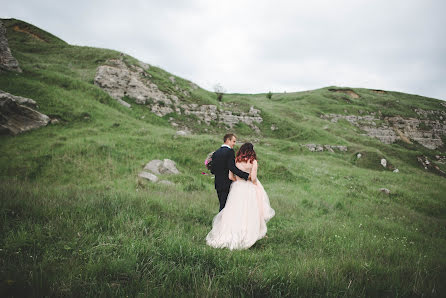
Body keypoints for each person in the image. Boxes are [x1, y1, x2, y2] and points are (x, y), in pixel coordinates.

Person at [206, 142, 275, 250]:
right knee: (249, 213)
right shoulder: (253, 162)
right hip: (249, 189)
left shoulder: (236, 161)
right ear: (252, 151)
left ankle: (230, 232)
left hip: (236, 189)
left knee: (234, 212)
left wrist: (238, 181)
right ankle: (248, 234)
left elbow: (230, 176)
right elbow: (253, 178)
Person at [210, 133, 250, 211]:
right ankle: (222, 222)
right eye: (233, 141)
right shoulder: (230, 151)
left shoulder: (216, 152)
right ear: (228, 140)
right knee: (225, 207)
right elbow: (232, 168)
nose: (234, 144)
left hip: (218, 183)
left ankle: (221, 221)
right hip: (226, 183)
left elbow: (213, 170)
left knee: (222, 204)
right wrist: (246, 175)